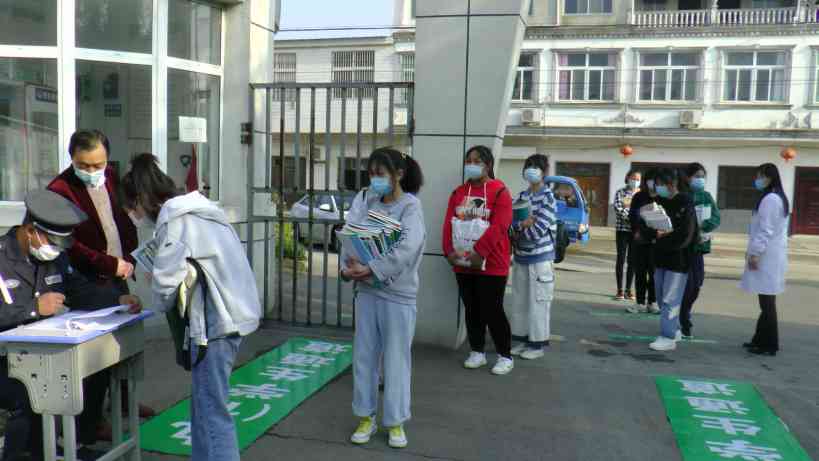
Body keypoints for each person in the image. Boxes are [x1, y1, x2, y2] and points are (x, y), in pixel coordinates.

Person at [121, 154, 262, 461]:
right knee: (204, 407)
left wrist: (156, 278)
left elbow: (165, 292)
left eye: (132, 208)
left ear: (141, 199)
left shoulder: (175, 222)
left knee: (212, 413)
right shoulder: (201, 210)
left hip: (215, 323)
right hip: (232, 315)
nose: (134, 215)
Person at [0, 190, 141, 461]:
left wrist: (118, 299)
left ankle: (74, 444)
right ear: (30, 231)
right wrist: (32, 308)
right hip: (5, 361)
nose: (56, 249)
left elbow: (80, 290)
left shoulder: (54, 257)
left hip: (44, 354)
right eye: (52, 241)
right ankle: (24, 454)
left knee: (94, 370)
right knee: (31, 394)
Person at [47, 129, 156, 428]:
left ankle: (124, 400)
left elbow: (123, 222)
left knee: (124, 341)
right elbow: (69, 243)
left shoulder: (110, 178)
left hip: (119, 271)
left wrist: (131, 258)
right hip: (88, 279)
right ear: (72, 159)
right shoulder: (60, 190)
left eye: (98, 164)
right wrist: (109, 264)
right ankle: (92, 422)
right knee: (97, 351)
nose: (92, 171)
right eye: (84, 165)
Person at [341, 148, 425, 450]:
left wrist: (373, 268)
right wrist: (349, 267)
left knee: (396, 360)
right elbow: (352, 238)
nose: (374, 180)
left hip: (398, 296)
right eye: (371, 174)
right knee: (364, 357)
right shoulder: (369, 203)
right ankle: (365, 416)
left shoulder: (410, 206)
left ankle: (396, 421)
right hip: (367, 292)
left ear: (398, 174)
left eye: (380, 174)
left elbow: (407, 248)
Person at [442, 145, 514, 375]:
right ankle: (477, 351)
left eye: (477, 161)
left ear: (488, 165)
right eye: (469, 161)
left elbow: (500, 226)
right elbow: (448, 224)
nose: (471, 165)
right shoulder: (458, 193)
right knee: (472, 308)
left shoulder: (500, 192)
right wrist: (449, 252)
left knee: (493, 310)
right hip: (463, 263)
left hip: (492, 264)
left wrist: (480, 253)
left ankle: (505, 355)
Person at [508, 154, 557, 360]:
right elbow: (509, 226)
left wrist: (519, 228)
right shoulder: (521, 196)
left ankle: (537, 345)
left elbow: (538, 230)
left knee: (538, 303)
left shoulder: (549, 198)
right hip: (520, 257)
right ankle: (522, 339)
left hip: (540, 259)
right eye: (528, 166)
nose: (531, 170)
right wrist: (522, 225)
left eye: (536, 167)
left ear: (544, 172)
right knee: (520, 302)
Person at [740, 164, 789, 356]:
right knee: (766, 300)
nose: (757, 180)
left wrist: (755, 253)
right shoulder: (776, 197)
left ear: (769, 177)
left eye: (760, 176)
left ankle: (769, 344)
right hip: (771, 255)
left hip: (767, 256)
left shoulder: (771, 199)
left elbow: (765, 230)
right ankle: (759, 339)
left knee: (767, 302)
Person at [648, 168, 698, 352]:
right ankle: (674, 329)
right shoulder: (659, 202)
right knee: (661, 297)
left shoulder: (685, 202)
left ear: (672, 184)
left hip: (678, 259)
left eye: (661, 184)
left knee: (670, 298)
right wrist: (654, 233)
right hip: (660, 257)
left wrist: (665, 237)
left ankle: (667, 337)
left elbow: (686, 234)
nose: (658, 187)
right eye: (657, 184)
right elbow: (651, 227)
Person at [680, 163, 721, 339]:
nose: (700, 179)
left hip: (699, 247)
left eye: (703, 176)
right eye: (697, 176)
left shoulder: (706, 196)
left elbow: (716, 217)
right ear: (688, 177)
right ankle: (683, 319)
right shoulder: (682, 196)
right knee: (686, 286)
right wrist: (691, 228)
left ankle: (685, 312)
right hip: (684, 247)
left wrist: (704, 226)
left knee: (696, 285)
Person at [627, 168, 659, 314]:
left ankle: (653, 302)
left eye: (656, 180)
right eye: (650, 180)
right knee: (640, 272)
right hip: (640, 239)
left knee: (654, 273)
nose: (653, 183)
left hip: (657, 240)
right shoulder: (639, 196)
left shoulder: (662, 197)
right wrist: (638, 230)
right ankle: (640, 302)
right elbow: (633, 216)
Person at [613, 169, 641, 301]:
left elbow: (644, 210)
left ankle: (629, 290)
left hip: (636, 231)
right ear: (628, 178)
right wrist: (633, 217)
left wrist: (635, 217)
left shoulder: (641, 194)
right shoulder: (620, 192)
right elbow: (618, 208)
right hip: (622, 230)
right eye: (633, 178)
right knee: (621, 259)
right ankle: (619, 290)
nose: (635, 181)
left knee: (633, 260)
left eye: (638, 179)